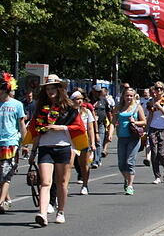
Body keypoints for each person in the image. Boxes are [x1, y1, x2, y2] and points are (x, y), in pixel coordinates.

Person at [24, 75, 87, 226]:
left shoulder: (70, 108)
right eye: (48, 89)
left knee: (62, 182)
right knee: (45, 182)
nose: (50, 91)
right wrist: (32, 151)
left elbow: (79, 127)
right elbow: (36, 130)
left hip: (63, 147)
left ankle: (61, 211)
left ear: (59, 89)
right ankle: (43, 213)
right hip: (45, 148)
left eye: (53, 88)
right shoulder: (40, 108)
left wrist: (61, 127)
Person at [112, 88, 146, 195]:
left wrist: (135, 121)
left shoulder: (137, 107)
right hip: (122, 138)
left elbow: (144, 121)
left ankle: (130, 185)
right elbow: (113, 122)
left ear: (134, 96)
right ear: (123, 96)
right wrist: (109, 134)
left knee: (129, 162)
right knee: (121, 164)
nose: (129, 98)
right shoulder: (119, 108)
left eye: (131, 96)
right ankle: (126, 179)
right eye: (127, 95)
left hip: (133, 138)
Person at [0, 73, 25, 211]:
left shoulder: (17, 105)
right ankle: (6, 198)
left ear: (4, 89)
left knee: (6, 173)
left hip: (10, 143)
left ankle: (0, 201)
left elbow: (21, 125)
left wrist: (25, 143)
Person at [70, 90, 97, 196]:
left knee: (84, 165)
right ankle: (63, 186)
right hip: (71, 140)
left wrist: (93, 142)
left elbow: (90, 128)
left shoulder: (87, 112)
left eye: (81, 99)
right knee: (68, 164)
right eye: (77, 99)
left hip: (83, 140)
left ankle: (85, 185)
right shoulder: (69, 112)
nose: (79, 101)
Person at [145, 82, 164, 184]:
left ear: (163, 90)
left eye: (161, 88)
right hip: (153, 128)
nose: (158, 90)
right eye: (157, 88)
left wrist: (160, 108)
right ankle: (157, 176)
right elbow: (150, 116)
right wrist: (146, 129)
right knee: (154, 153)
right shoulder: (151, 101)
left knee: (161, 153)